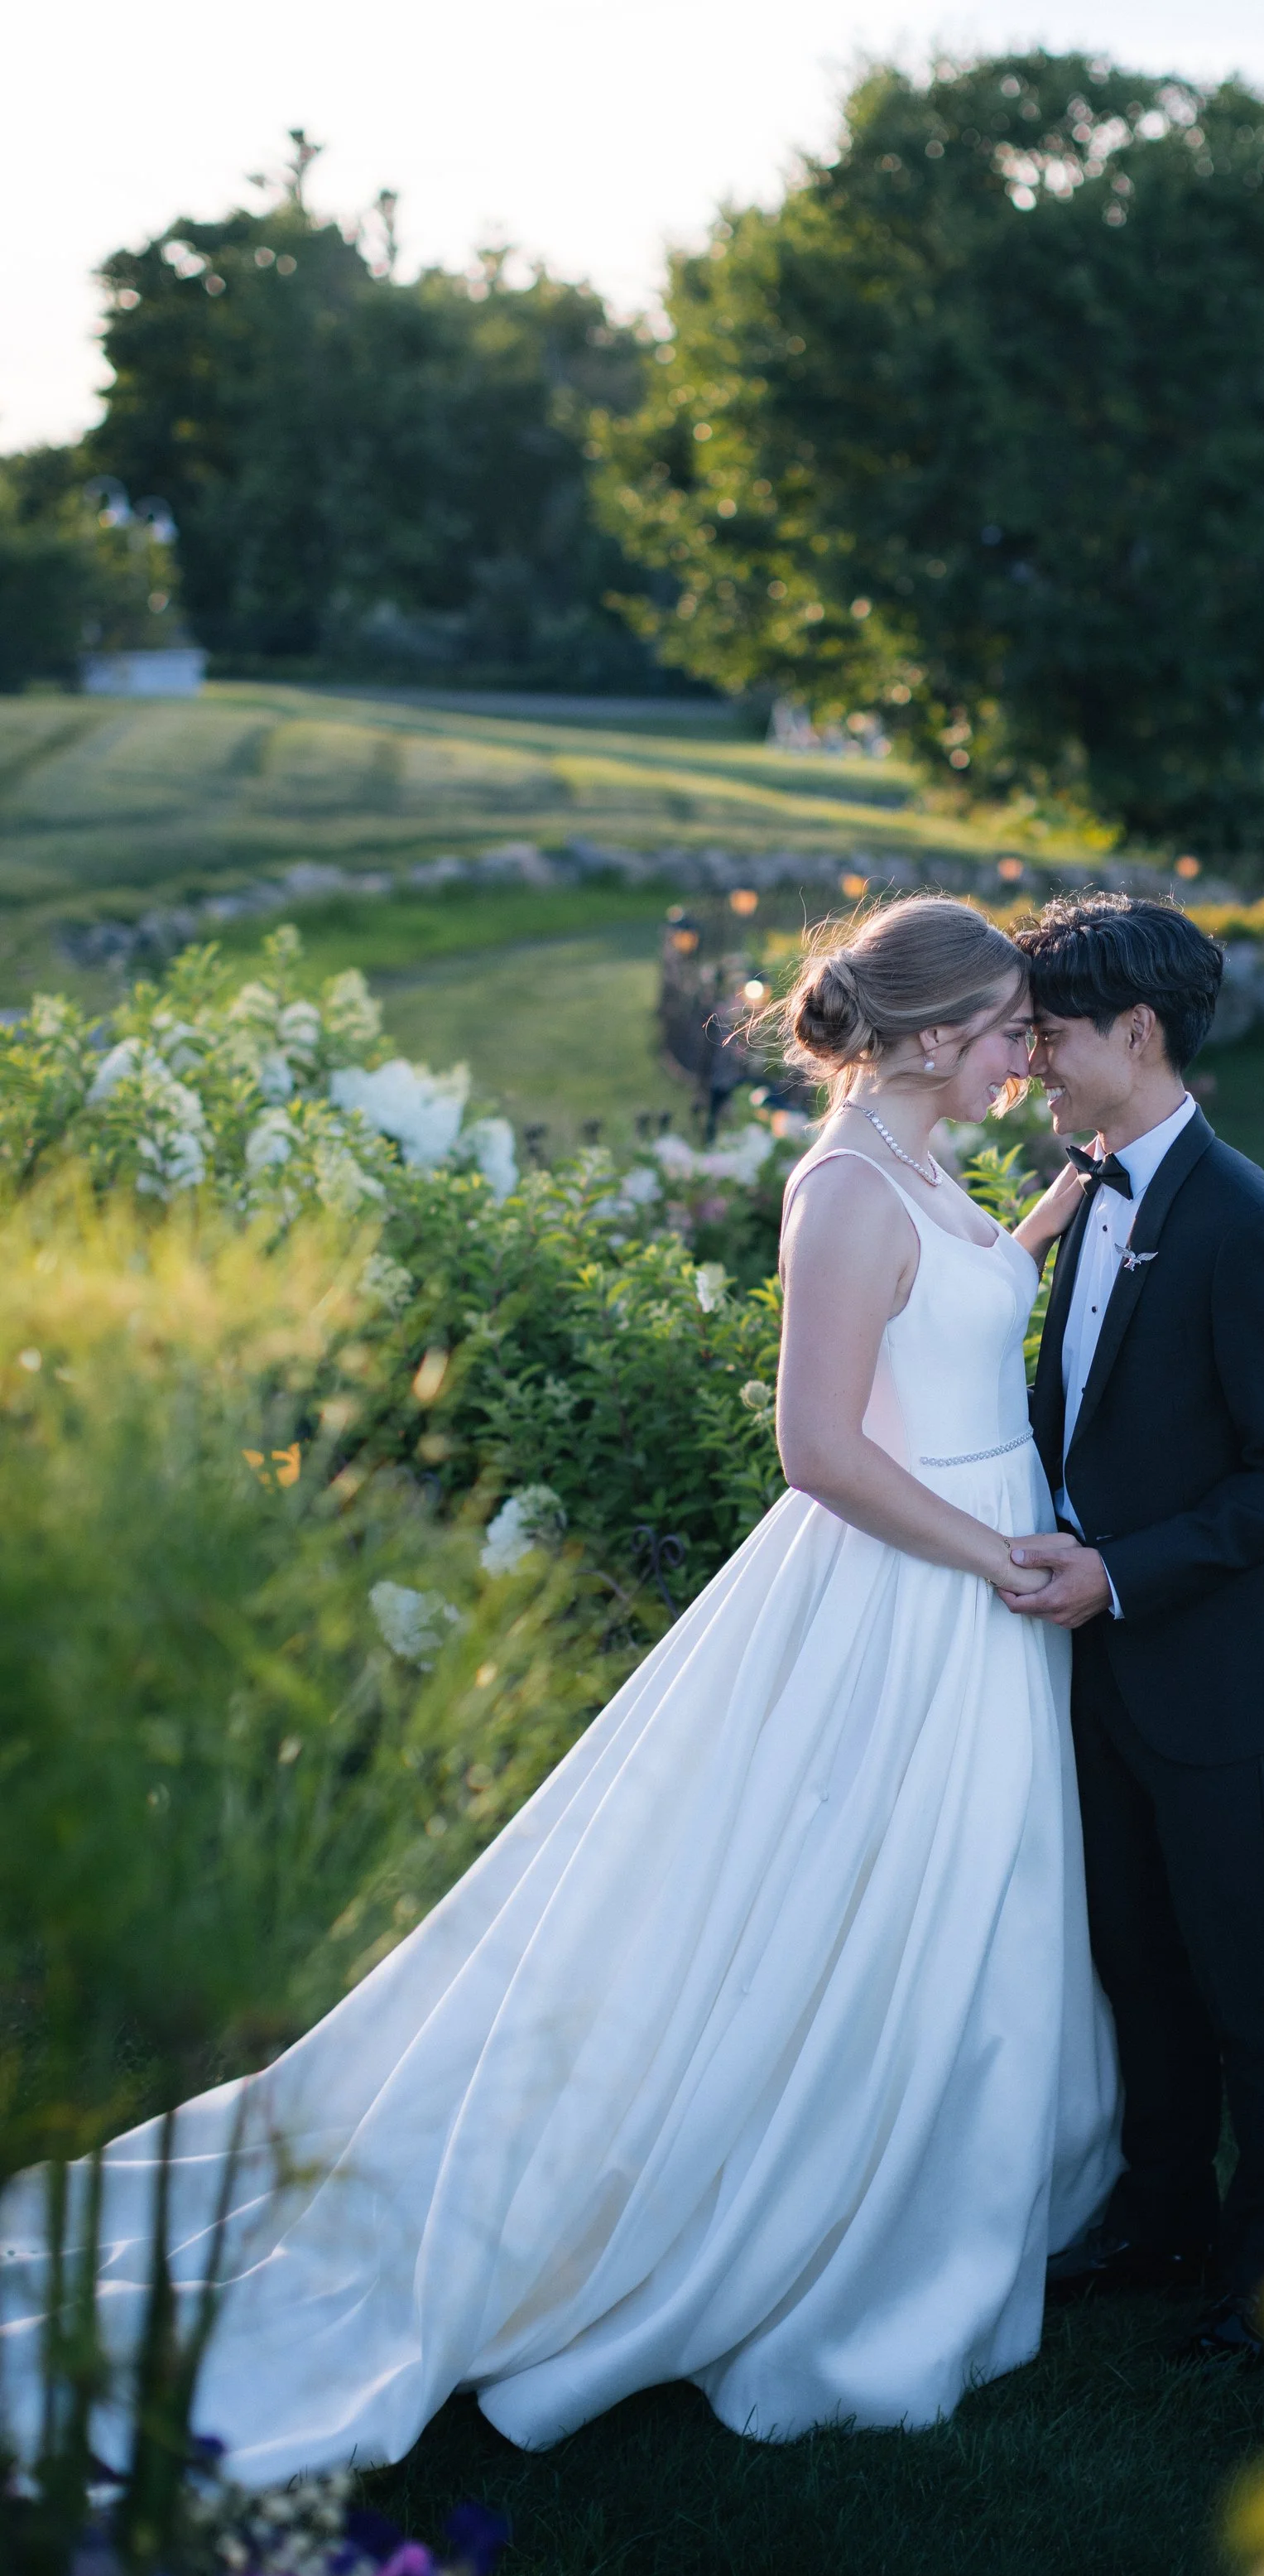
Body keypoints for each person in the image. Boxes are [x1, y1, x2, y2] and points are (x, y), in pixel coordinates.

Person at [0, 896, 1119, 2482]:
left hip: (967, 1580)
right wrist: (994, 1556)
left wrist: (1046, 1225)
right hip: (919, 1585)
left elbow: (938, 1334)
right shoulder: (847, 1189)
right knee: (847, 1896)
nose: (1028, 1050)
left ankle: (936, 2190)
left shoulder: (921, 1171)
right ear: (936, 1038)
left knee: (954, 1894)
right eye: (1010, 1027)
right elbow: (817, 1450)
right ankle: (782, 2225)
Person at [1001, 893, 1264, 2364]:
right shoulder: (1094, 1186)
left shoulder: (1247, 1225)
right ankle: (1161, 2218)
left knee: (1240, 1986)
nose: (1032, 1065)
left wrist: (1120, 1574)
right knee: (1135, 1960)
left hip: (1202, 1673)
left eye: (1053, 1036)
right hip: (1096, 1664)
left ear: (1137, 1034)